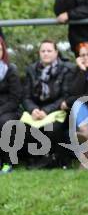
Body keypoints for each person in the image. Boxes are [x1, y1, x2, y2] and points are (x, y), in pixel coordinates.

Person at [22, 39, 72, 168]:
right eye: (43, 51)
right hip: (36, 110)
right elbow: (25, 96)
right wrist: (33, 110)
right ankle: (35, 160)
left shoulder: (65, 69)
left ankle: (55, 159)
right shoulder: (31, 70)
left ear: (56, 53)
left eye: (49, 50)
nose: (46, 53)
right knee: (25, 126)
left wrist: (46, 111)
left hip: (57, 110)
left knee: (53, 127)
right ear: (39, 53)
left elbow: (65, 96)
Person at [0, 37, 23, 174]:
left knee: (4, 122)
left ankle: (8, 162)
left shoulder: (10, 70)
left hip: (9, 109)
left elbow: (15, 98)